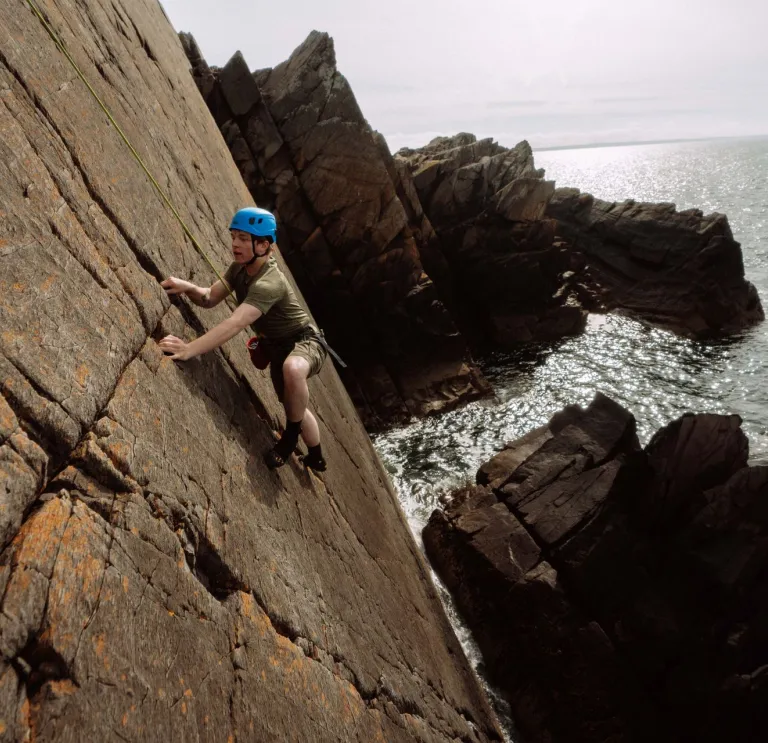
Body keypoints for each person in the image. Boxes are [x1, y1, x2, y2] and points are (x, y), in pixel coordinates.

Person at [158, 207, 328, 472]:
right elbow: (209, 298)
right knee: (294, 403)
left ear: (263, 244)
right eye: (234, 236)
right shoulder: (240, 268)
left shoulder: (269, 283)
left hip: (305, 342)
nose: (235, 243)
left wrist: (190, 349)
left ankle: (289, 439)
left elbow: (235, 323)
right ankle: (316, 457)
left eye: (242, 238)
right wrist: (189, 287)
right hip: (277, 347)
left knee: (293, 370)